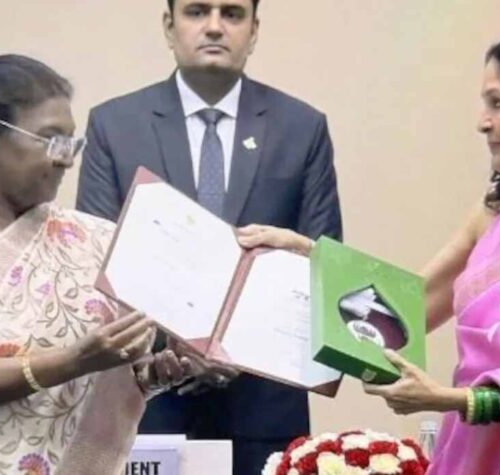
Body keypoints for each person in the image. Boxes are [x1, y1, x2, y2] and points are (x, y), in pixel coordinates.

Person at [237, 29, 500, 474]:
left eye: (498, 103)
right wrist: (309, 255)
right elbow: (406, 308)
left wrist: (448, 399)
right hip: (474, 449)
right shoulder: (496, 210)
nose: (482, 122)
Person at [75, 0, 342, 473]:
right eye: (197, 11)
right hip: (146, 404)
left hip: (263, 410)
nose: (215, 27)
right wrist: (182, 347)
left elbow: (323, 265)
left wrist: (236, 349)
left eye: (232, 14)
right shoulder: (114, 125)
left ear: (254, 30)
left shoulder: (302, 128)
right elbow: (94, 266)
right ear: (169, 26)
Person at [0, 55, 190, 475]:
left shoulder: (93, 237)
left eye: (72, 143)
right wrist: (71, 361)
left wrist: (149, 378)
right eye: (51, 140)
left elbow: (104, 377)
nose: (67, 159)